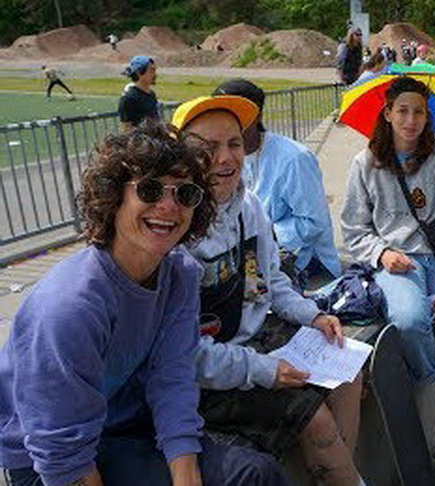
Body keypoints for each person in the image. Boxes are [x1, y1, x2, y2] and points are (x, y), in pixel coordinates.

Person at [0, 122, 290, 486]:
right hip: (42, 460)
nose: (168, 206)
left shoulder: (179, 274)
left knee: (256, 473)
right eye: (150, 190)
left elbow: (172, 378)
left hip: (121, 421)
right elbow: (59, 451)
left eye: (185, 193)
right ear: (113, 198)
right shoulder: (70, 307)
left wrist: (186, 478)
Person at [172, 96, 365, 486]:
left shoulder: (249, 207)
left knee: (350, 368)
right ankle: (337, 466)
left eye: (234, 143)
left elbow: (269, 281)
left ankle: (337, 469)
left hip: (256, 337)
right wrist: (263, 370)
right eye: (208, 148)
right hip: (205, 372)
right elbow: (187, 354)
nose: (225, 158)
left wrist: (313, 314)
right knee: (316, 420)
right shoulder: (174, 229)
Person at [340, 77, 435, 486]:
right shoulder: (365, 163)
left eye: (419, 111)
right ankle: (430, 377)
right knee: (408, 319)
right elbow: (354, 228)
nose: (410, 119)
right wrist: (381, 254)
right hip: (396, 262)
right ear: (387, 113)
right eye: (402, 110)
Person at [213, 79, 341, 290]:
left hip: (305, 264)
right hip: (247, 258)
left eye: (235, 115)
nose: (225, 124)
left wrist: (258, 235)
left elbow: (313, 224)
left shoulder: (294, 158)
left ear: (257, 116)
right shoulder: (222, 159)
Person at [119, 55, 159, 132]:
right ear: (139, 73)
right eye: (151, 71)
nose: (155, 75)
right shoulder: (129, 97)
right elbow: (126, 128)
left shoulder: (151, 94)